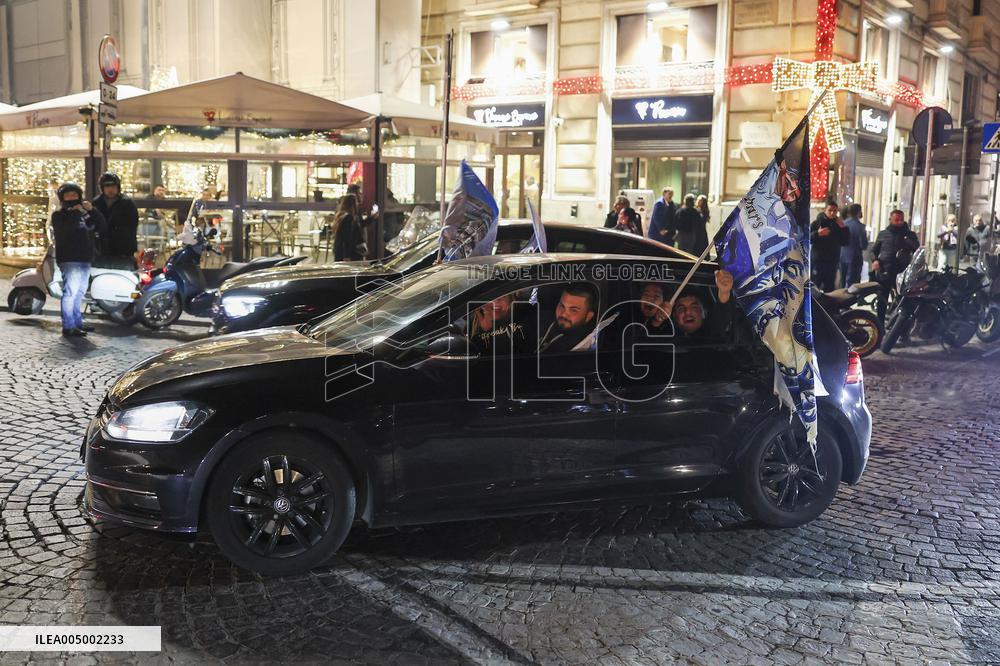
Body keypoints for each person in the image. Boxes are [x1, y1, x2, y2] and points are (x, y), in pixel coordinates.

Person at [50, 182, 106, 337]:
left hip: (84, 258)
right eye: (68, 196)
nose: (72, 198)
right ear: (62, 198)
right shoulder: (59, 216)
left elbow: (101, 225)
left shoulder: (84, 214)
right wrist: (75, 212)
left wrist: (92, 210)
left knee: (79, 292)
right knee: (71, 292)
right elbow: (67, 230)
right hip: (70, 259)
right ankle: (68, 326)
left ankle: (77, 322)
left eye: (75, 195)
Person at [870, 209, 920, 322]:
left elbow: (917, 250)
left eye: (901, 220)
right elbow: (873, 251)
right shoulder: (883, 234)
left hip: (902, 273)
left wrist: (909, 242)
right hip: (885, 271)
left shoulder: (909, 234)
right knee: (882, 300)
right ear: (890, 220)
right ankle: (880, 325)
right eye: (896, 220)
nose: (899, 222)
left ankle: (901, 329)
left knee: (902, 301)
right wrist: (875, 260)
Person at [655, 270, 735, 339]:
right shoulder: (664, 336)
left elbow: (721, 318)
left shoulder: (662, 335)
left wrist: (724, 291)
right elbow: (721, 320)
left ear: (704, 313)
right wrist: (724, 291)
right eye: (681, 308)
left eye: (694, 307)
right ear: (675, 316)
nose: (688, 312)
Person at [92, 172, 139, 269]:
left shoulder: (127, 203)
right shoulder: (97, 203)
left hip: (123, 250)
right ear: (102, 188)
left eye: (113, 186)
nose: (110, 190)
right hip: (102, 249)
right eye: (107, 186)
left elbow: (132, 226)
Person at [537, 284, 598, 353]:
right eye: (562, 306)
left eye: (574, 310)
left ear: (588, 316)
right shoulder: (541, 318)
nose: (564, 314)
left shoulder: (581, 345)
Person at [469, 293, 533, 356]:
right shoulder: (474, 323)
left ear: (511, 299)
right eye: (489, 298)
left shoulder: (525, 313)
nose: (494, 303)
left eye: (501, 297)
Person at [810, 199, 849, 292]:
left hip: (832, 262)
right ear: (825, 210)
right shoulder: (817, 223)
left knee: (830, 288)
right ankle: (815, 306)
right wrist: (818, 234)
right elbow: (807, 239)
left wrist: (844, 229)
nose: (832, 213)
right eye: (830, 210)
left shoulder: (839, 225)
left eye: (834, 211)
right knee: (814, 287)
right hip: (818, 261)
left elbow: (845, 242)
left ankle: (827, 307)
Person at [839, 203, 868, 289]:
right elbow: (863, 245)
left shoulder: (842, 224)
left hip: (842, 256)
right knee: (853, 284)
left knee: (843, 281)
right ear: (859, 212)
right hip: (855, 257)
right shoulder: (860, 227)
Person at [332, 193, 366, 261]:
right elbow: (347, 238)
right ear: (352, 204)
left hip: (341, 251)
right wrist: (346, 256)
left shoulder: (341, 216)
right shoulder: (348, 218)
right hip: (350, 253)